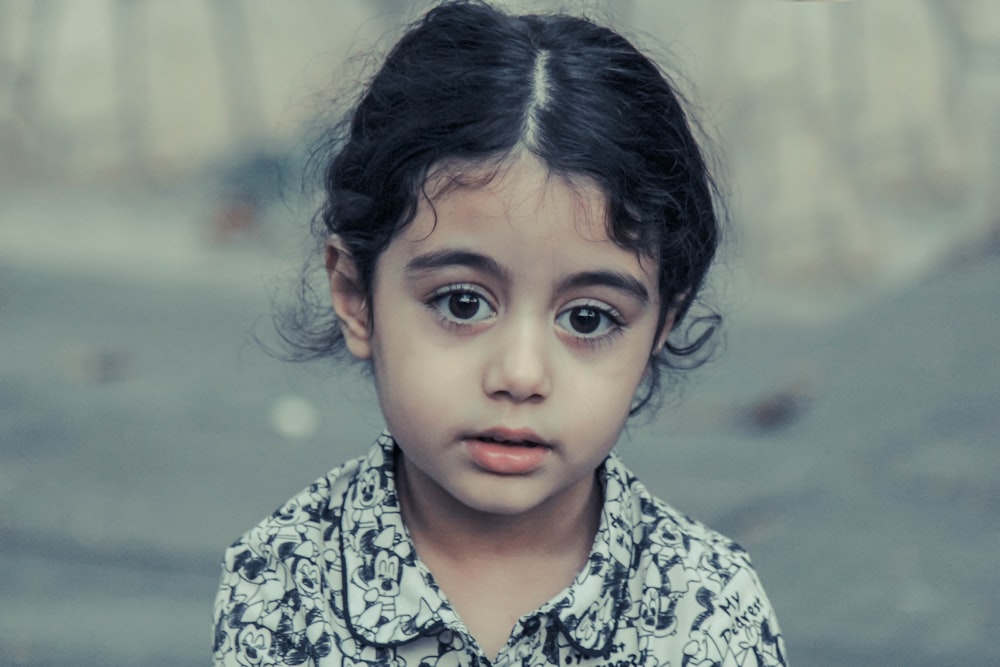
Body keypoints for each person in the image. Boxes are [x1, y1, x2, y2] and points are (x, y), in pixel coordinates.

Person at [212, 1, 787, 665]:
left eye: (588, 317)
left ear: (662, 325)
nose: (519, 373)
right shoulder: (283, 581)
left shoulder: (705, 607)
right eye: (461, 303)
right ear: (354, 294)